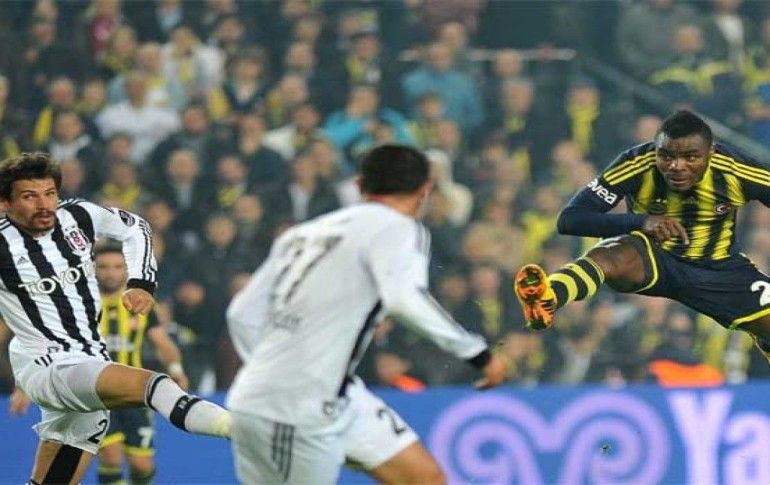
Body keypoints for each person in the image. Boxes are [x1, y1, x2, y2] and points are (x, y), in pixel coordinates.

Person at [226, 144, 508, 484]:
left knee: (425, 479)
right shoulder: (399, 228)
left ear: (360, 186)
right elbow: (404, 299)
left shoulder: (303, 234)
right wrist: (477, 354)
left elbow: (240, 314)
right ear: (425, 190)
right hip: (293, 404)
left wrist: (271, 368)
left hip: (336, 394)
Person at [0, 152, 229, 484]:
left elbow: (136, 227)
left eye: (49, 193)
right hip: (48, 365)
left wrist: (141, 283)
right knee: (156, 386)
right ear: (5, 202)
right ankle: (244, 430)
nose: (44, 204)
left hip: (92, 361)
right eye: (29, 196)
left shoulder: (78, 215)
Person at [514, 110, 770, 366]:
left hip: (720, 270)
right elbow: (570, 219)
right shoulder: (636, 163)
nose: (677, 166)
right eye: (666, 156)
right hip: (654, 257)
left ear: (711, 151)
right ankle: (548, 299)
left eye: (691, 157)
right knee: (610, 254)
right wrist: (640, 221)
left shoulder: (736, 169)